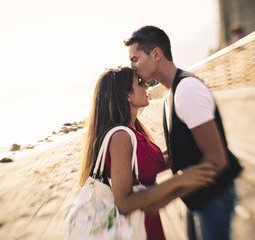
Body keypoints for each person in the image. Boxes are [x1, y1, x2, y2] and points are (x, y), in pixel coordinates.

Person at [124, 25, 243, 240]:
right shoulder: (172, 93)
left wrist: (168, 196)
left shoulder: (187, 91)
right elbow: (185, 148)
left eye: (135, 59)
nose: (131, 66)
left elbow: (217, 160)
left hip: (214, 198)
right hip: (197, 195)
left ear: (156, 54)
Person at [78, 66, 217, 240]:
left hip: (147, 223)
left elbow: (155, 162)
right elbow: (124, 203)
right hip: (138, 230)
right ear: (127, 95)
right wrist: (180, 180)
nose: (147, 87)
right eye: (140, 84)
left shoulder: (133, 131)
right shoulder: (121, 137)